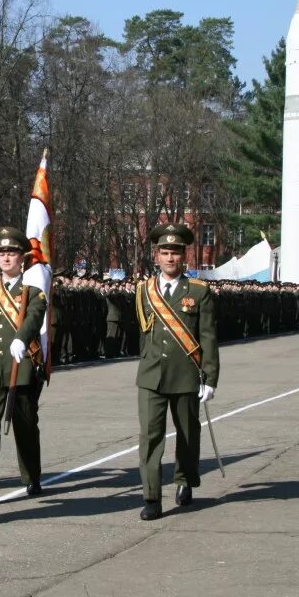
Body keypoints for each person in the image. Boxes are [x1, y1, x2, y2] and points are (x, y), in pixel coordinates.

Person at [134, 223, 220, 520]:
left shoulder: (199, 291)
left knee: (187, 435)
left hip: (186, 374)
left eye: (176, 253)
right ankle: (152, 496)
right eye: (165, 252)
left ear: (184, 257)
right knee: (150, 436)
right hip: (151, 376)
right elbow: (145, 333)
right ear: (155, 256)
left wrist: (209, 376)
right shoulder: (143, 290)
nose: (170, 258)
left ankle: (184, 479)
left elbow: (208, 336)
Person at [0, 226, 48, 506]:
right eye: (2, 253)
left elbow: (34, 318)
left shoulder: (33, 292)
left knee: (26, 427)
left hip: (22, 367)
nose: (6, 258)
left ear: (22, 258)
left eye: (12, 253)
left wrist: (21, 338)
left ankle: (32, 477)